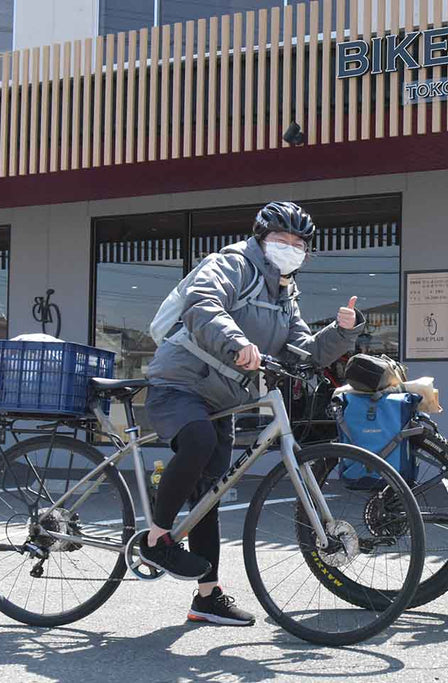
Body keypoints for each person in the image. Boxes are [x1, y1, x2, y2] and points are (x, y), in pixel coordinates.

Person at [141, 201, 365, 626]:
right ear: (262, 239)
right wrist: (236, 341)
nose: (291, 248)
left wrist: (343, 332)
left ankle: (207, 597)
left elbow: (304, 352)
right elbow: (202, 302)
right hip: (180, 382)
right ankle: (156, 537)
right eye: (282, 239)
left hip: (223, 398)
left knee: (211, 492)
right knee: (199, 443)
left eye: (299, 243)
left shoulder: (285, 295)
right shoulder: (231, 264)